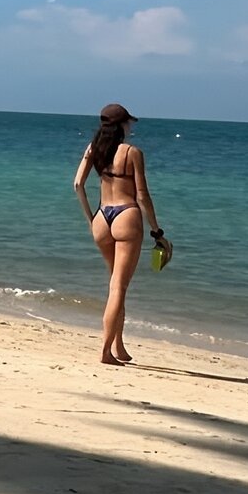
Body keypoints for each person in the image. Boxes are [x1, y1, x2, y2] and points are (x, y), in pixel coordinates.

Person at [74, 103, 171, 365]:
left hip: (102, 217)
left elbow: (78, 184)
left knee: (115, 283)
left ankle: (118, 345)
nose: (130, 126)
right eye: (128, 122)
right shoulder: (132, 153)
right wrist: (157, 231)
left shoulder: (94, 149)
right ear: (121, 125)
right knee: (119, 286)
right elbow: (142, 195)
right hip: (126, 216)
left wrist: (90, 219)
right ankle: (106, 351)